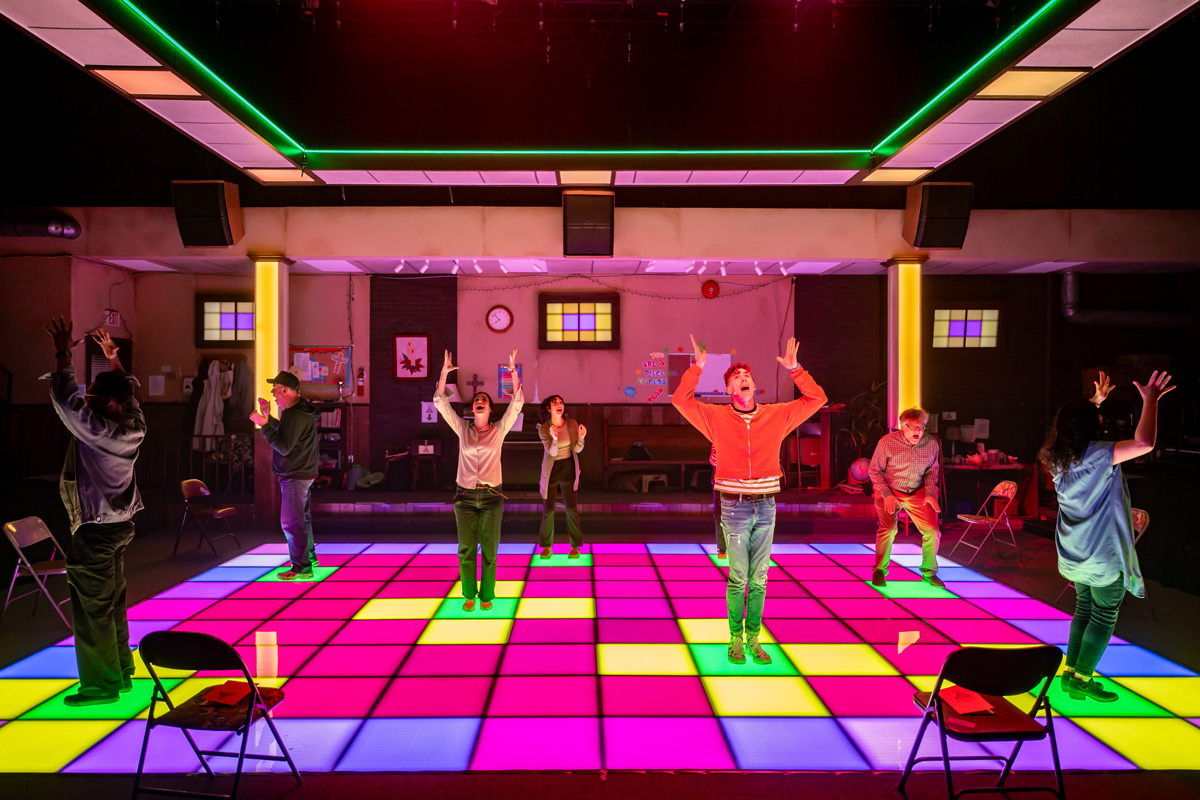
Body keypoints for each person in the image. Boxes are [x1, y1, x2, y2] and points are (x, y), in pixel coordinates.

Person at [673, 335, 826, 666]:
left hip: (767, 504)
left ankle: (755, 639)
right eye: (735, 379)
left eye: (746, 377)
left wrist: (796, 370)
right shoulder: (715, 417)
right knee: (739, 576)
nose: (742, 380)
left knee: (760, 577)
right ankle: (735, 640)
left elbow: (817, 398)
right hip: (735, 504)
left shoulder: (776, 414)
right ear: (729, 390)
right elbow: (681, 400)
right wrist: (697, 368)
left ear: (754, 386)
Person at [1038, 369, 1173, 702]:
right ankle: (1082, 677)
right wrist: (1151, 400)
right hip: (1100, 555)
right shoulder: (1101, 454)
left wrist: (1094, 401)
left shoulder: (1055, 458)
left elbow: (1071, 424)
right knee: (1103, 614)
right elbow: (1144, 443)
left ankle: (1071, 674)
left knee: (1083, 608)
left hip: (1072, 552)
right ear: (1091, 426)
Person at [44, 319, 146, 706]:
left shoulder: (99, 430)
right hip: (119, 526)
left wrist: (62, 353)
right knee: (111, 604)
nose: (91, 402)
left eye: (97, 398)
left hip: (95, 531)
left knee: (92, 611)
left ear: (108, 403)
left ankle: (101, 685)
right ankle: (119, 672)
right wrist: (113, 359)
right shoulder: (133, 423)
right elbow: (128, 395)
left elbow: (64, 400)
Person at [435, 349, 523, 611]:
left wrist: (513, 372)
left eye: (484, 399)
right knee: (465, 549)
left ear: (490, 408)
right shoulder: (463, 428)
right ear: (473, 408)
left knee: (489, 551)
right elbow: (441, 403)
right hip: (464, 497)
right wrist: (443, 374)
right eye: (477, 400)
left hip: (492, 497)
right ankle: (469, 595)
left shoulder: (498, 430)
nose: (480, 401)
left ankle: (486, 595)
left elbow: (517, 403)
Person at [250, 370, 320, 580]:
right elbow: (286, 433)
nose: (272, 393)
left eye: (275, 389)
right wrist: (268, 417)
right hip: (303, 471)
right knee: (302, 517)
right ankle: (309, 556)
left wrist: (263, 426)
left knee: (291, 522)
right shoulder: (298, 412)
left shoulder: (295, 414)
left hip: (295, 473)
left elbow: (284, 446)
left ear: (285, 390)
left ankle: (301, 567)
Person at [867, 408, 944, 588]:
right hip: (890, 489)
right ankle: (879, 570)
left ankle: (929, 573)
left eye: (922, 427)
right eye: (914, 427)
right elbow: (874, 471)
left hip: (916, 491)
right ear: (903, 426)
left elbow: (933, 471)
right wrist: (886, 494)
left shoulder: (931, 443)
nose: (918, 431)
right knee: (889, 529)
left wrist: (930, 493)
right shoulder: (887, 442)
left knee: (933, 531)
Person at [537, 395, 587, 559]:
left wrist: (581, 438)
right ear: (548, 408)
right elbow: (551, 452)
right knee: (548, 510)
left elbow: (577, 450)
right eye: (555, 403)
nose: (559, 405)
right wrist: (555, 439)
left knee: (571, 508)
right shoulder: (544, 428)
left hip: (568, 467)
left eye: (561, 402)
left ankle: (576, 546)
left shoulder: (572, 423)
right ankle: (546, 546)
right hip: (551, 469)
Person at [710, 445, 727, 560]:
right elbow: (714, 460)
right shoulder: (717, 436)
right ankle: (722, 548)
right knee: (720, 514)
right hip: (721, 479)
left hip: (738, 479)